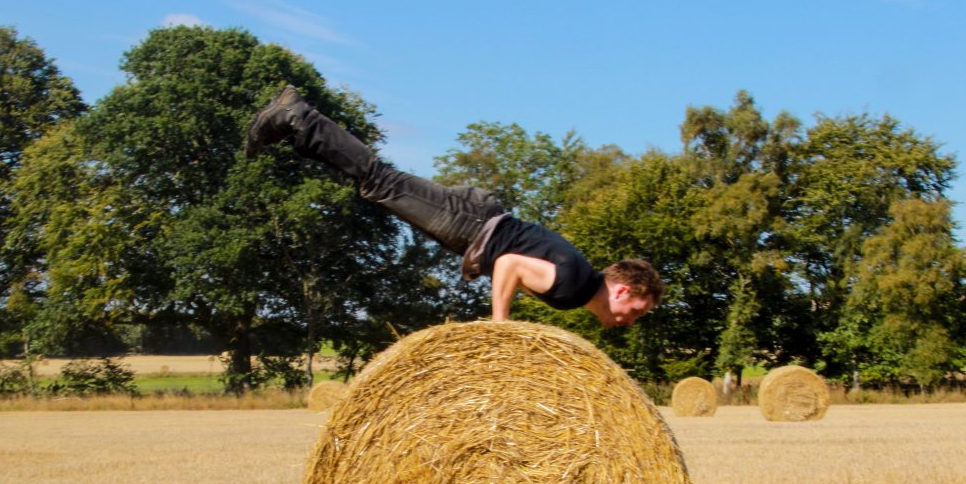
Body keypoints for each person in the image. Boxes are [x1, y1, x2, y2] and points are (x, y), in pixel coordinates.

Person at [245, 86, 664, 327]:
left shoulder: (578, 283)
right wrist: (500, 327)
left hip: (473, 228)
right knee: (379, 180)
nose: (631, 318)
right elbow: (510, 266)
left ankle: (297, 129)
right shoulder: (574, 285)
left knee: (375, 186)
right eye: (636, 310)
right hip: (472, 223)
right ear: (624, 290)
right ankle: (297, 116)